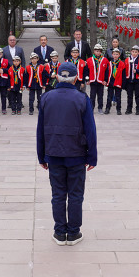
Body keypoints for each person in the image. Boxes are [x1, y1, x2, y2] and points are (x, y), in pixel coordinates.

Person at [37, 62, 98, 245]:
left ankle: (59, 232)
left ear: (57, 77)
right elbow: (90, 130)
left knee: (58, 194)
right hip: (76, 154)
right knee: (75, 194)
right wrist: (92, 156)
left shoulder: (46, 97)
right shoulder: (82, 98)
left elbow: (40, 130)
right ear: (76, 78)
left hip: (54, 153)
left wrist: (41, 155)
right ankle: (73, 233)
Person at [87, 44, 110, 114]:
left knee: (100, 96)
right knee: (92, 96)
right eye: (96, 51)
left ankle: (100, 108)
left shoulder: (105, 60)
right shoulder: (89, 60)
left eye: (99, 51)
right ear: (94, 51)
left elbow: (107, 71)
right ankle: (91, 108)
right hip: (93, 81)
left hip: (101, 81)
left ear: (101, 52)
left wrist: (105, 80)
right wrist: (87, 80)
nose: (98, 52)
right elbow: (86, 71)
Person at [123, 45, 139, 115]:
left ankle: (138, 109)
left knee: (137, 95)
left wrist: (137, 71)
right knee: (129, 96)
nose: (134, 53)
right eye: (133, 52)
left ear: (138, 53)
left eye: (136, 52)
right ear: (130, 52)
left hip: (137, 81)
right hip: (129, 80)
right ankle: (129, 109)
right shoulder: (127, 60)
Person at [105, 48, 124, 115]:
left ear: (119, 55)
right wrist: (106, 81)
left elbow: (123, 74)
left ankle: (118, 109)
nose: (115, 55)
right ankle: (107, 108)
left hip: (118, 82)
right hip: (111, 82)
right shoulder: (110, 63)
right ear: (112, 55)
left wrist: (123, 84)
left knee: (118, 97)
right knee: (109, 96)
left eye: (117, 54)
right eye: (114, 54)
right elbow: (107, 73)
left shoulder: (121, 64)